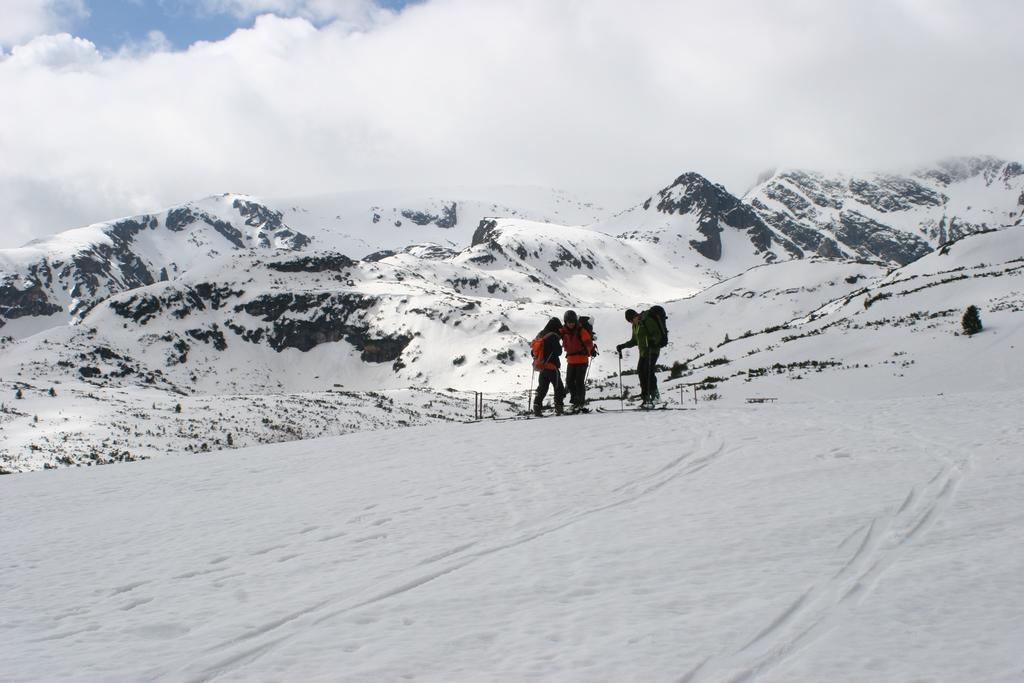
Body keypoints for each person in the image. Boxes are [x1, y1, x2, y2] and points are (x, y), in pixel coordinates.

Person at [615, 308, 664, 408]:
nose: (632, 321)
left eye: (632, 319)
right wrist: (623, 346)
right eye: (630, 321)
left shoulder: (646, 321)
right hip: (643, 353)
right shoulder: (635, 325)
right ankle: (646, 399)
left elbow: (657, 334)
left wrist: (652, 342)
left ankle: (656, 397)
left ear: (635, 315)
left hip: (653, 351)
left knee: (648, 371)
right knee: (641, 372)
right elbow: (634, 341)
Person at [559, 310, 594, 413]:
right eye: (569, 322)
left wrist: (591, 351)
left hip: (582, 360)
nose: (571, 324)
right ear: (565, 322)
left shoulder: (581, 331)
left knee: (579, 382)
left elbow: (588, 342)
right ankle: (575, 402)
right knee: (569, 382)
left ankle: (580, 403)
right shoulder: (563, 331)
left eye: (572, 322)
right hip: (571, 360)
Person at [532, 317, 566, 417]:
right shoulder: (553, 336)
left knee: (542, 388)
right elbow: (558, 352)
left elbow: (533, 351)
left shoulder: (540, 334)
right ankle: (559, 408)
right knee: (558, 388)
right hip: (552, 367)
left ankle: (537, 407)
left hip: (542, 367)